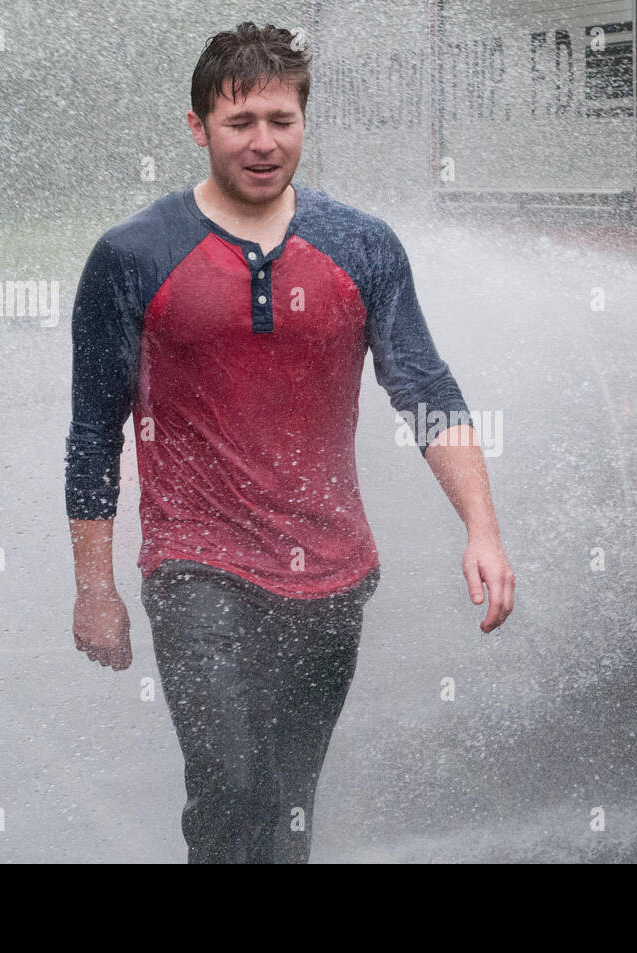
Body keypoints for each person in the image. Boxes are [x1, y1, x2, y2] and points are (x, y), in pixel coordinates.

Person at [64, 22, 515, 863]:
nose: (263, 142)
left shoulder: (360, 246)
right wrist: (96, 587)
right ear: (198, 127)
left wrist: (481, 530)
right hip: (196, 564)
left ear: (305, 122)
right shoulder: (132, 256)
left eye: (281, 119)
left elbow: (427, 392)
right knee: (230, 783)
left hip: (332, 573)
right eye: (240, 123)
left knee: (286, 804)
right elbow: (94, 434)